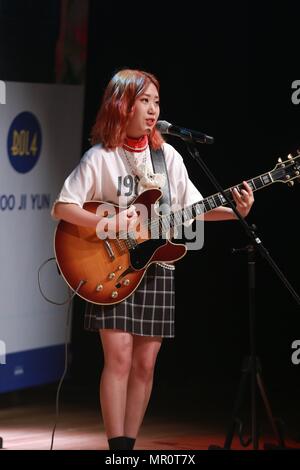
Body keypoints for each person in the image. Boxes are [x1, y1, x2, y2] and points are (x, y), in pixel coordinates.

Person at [52, 68, 254, 450]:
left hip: (156, 265)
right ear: (121, 105)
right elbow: (62, 208)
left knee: (145, 364)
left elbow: (195, 208)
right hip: (108, 266)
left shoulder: (168, 156)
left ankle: (130, 443)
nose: (151, 108)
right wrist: (107, 222)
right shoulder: (101, 156)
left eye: (155, 101)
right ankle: (118, 452)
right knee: (120, 357)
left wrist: (236, 210)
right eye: (143, 100)